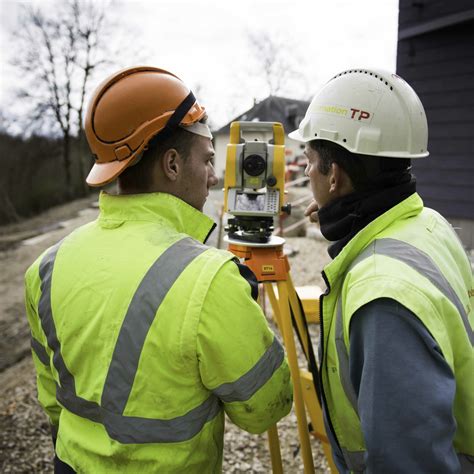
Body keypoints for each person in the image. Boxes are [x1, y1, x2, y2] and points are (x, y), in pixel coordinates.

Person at [24, 66, 292, 473]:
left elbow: (53, 398)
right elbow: (264, 409)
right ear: (171, 165)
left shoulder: (45, 268)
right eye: (206, 160)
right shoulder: (209, 279)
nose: (214, 176)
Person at [289, 68, 474, 473]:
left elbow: (409, 462)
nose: (305, 174)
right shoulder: (429, 224)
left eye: (309, 162)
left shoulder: (382, 300)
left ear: (334, 176)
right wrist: (345, 217)